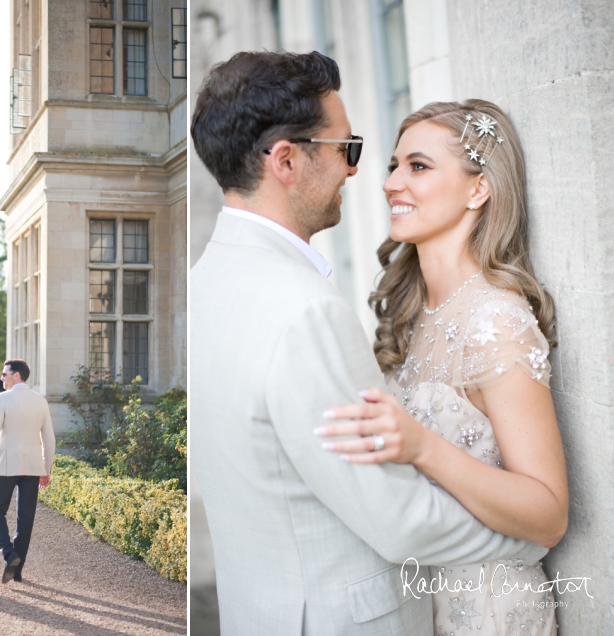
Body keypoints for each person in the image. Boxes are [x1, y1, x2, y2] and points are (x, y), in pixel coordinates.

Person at [190, 50, 549, 636]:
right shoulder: (304, 310)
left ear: (479, 188)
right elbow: (397, 518)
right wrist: (522, 543)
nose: (370, 178)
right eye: (349, 151)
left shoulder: (205, 284)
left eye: (417, 166)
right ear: (286, 161)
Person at [316, 100, 566, 634]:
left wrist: (422, 447)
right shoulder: (411, 311)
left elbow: (549, 515)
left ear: (479, 189)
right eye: (394, 166)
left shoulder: (496, 321)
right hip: (417, 604)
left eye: (419, 166)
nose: (391, 183)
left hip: (490, 613)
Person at [0, 359, 55, 584]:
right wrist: (46, 469)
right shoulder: (40, 401)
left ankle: (9, 555)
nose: (1, 378)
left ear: (16, 375)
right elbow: (49, 439)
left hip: (6, 466)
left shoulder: (2, 399)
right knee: (25, 519)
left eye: (4, 374)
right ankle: (17, 571)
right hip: (32, 466)